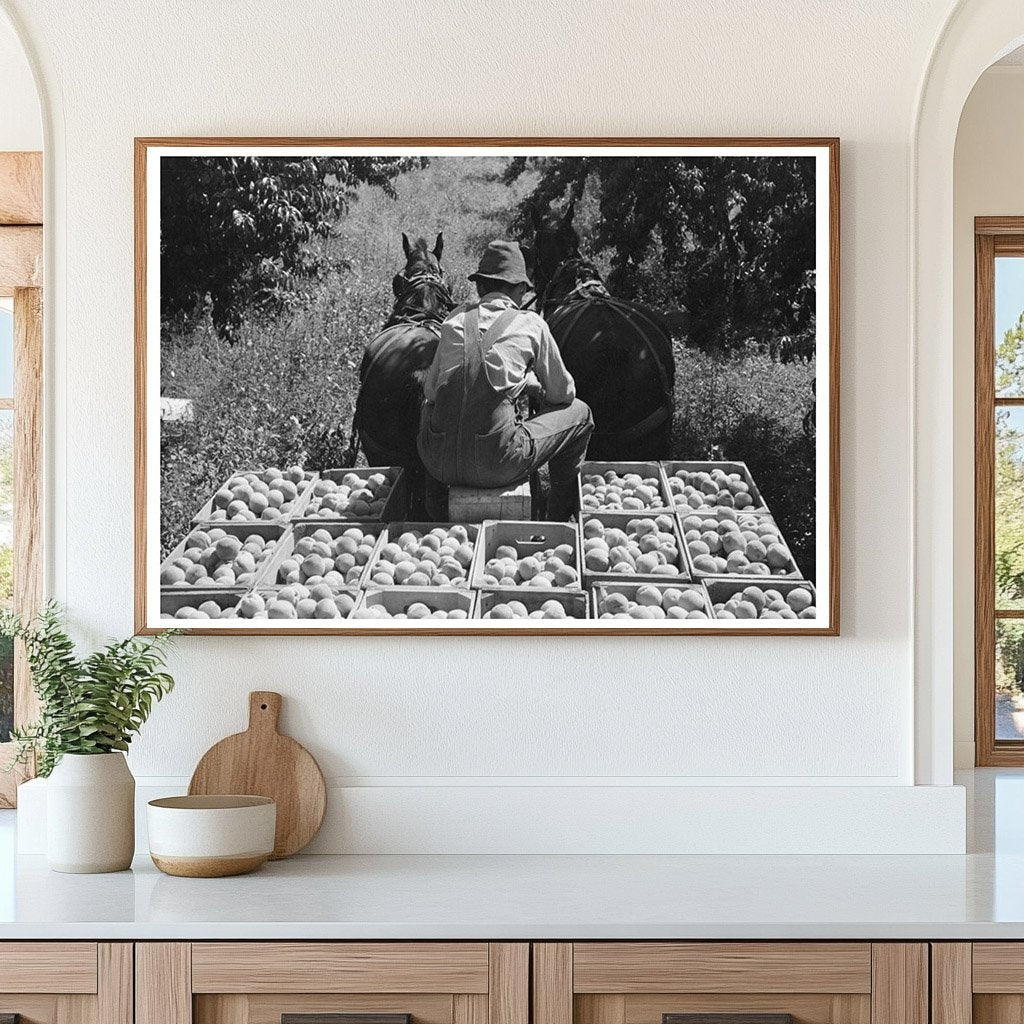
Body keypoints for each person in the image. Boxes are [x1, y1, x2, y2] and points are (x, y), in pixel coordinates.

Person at [417, 239, 594, 521]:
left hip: (438, 462)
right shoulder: (532, 324)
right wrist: (532, 386)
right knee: (581, 413)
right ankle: (558, 515)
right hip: (497, 465)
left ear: (479, 287)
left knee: (428, 408)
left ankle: (434, 507)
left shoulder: (453, 319)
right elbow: (563, 394)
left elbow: (431, 392)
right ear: (521, 289)